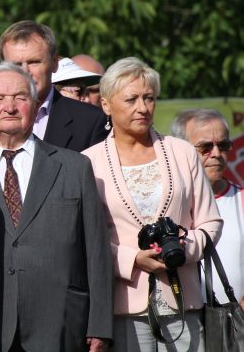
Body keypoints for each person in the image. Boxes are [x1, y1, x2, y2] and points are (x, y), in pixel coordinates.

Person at [0, 62, 112, 352]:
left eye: (20, 98)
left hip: (61, 324)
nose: (9, 107)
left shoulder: (74, 166)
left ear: (36, 105)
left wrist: (100, 325)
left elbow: (97, 251)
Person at [82, 58, 222, 351]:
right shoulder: (88, 162)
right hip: (123, 306)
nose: (142, 108)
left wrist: (184, 250)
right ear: (106, 105)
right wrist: (132, 259)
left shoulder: (182, 152)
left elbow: (211, 222)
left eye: (148, 98)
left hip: (185, 302)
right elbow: (83, 239)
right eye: (131, 99)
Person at [0, 21, 108, 157]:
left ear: (54, 63)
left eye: (34, 62)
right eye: (16, 65)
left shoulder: (90, 121)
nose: (24, 72)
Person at [170, 109, 243, 306]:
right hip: (180, 322)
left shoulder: (241, 199)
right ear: (180, 150)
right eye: (206, 147)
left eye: (223, 145)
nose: (217, 154)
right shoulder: (166, 202)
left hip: (234, 326)